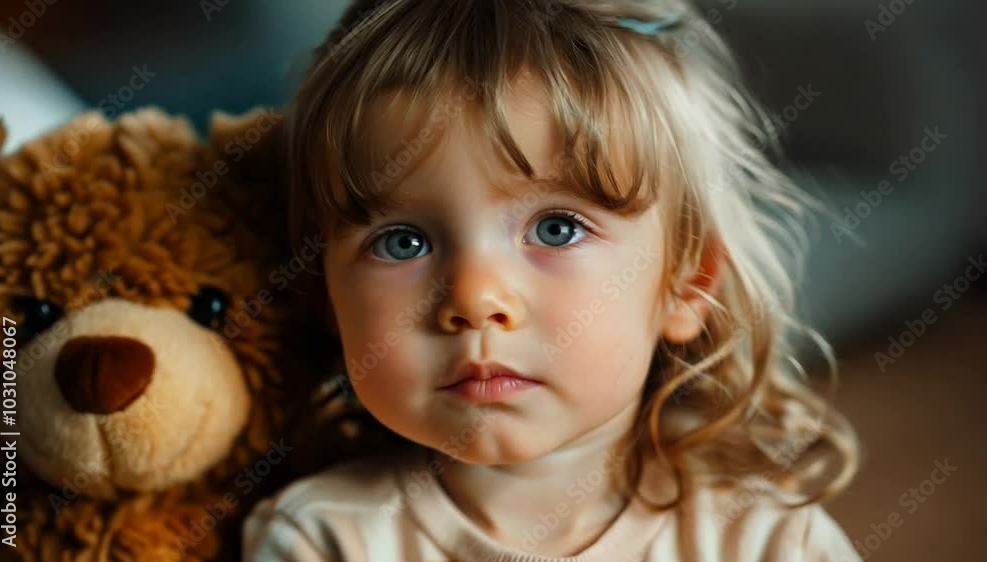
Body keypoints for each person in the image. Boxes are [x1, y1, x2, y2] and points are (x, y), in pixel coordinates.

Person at [244, 1, 862, 560]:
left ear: (686, 284)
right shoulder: (324, 538)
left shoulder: (766, 540)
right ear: (326, 296)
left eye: (557, 230)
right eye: (403, 242)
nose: (474, 299)